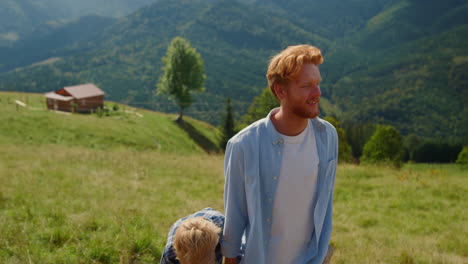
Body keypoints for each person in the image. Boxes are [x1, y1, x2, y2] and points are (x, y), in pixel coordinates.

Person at [222, 45, 338, 264]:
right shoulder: (243, 145)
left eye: (317, 84)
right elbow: (234, 217)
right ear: (280, 91)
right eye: (307, 86)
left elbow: (325, 205)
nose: (317, 93)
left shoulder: (328, 136)